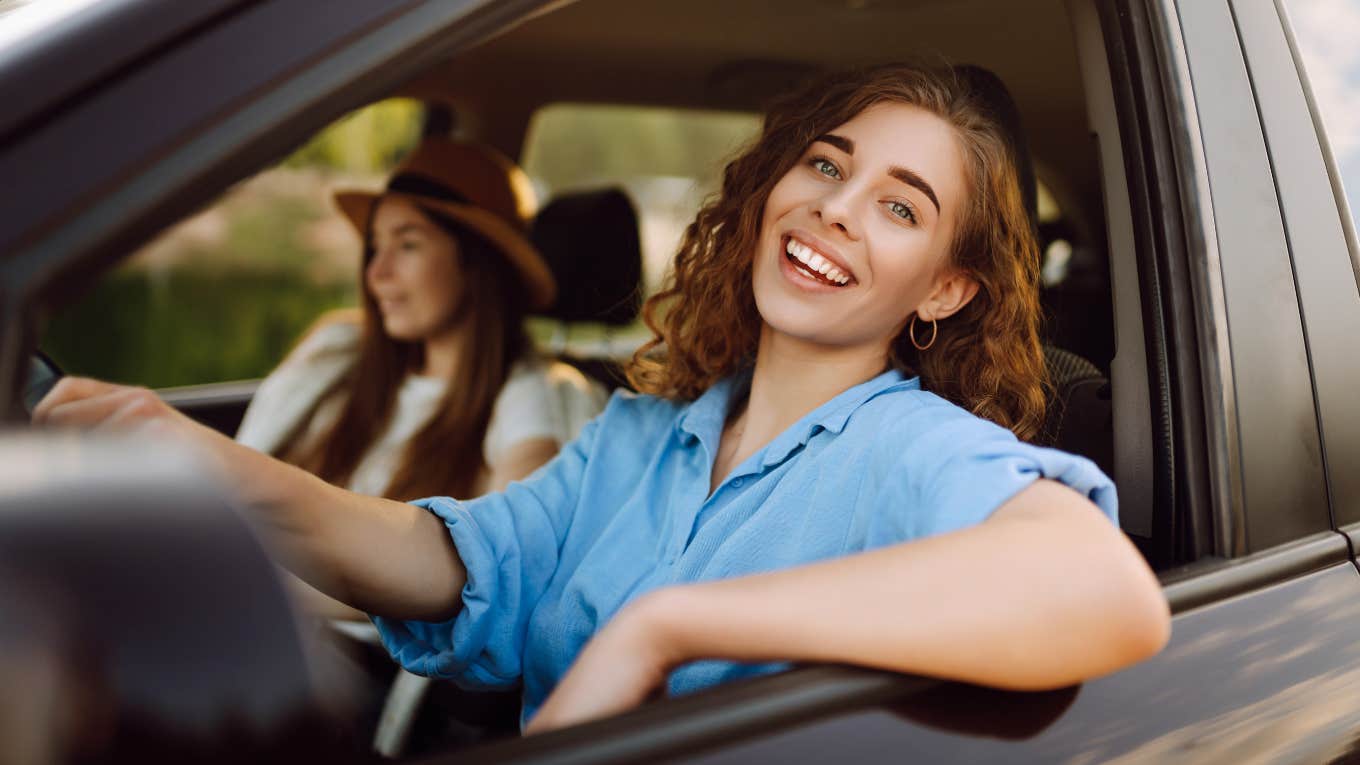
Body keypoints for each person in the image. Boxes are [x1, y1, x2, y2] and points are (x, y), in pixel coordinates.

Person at [34, 63, 1170, 735]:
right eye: (825, 166)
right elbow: (457, 563)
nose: (833, 209)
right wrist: (203, 463)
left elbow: (1106, 591)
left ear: (946, 287)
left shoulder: (915, 448)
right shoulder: (641, 433)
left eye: (900, 206)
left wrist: (668, 625)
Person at [235, 138, 606, 618]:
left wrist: (252, 584)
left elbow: (504, 563)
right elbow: (232, 486)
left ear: (478, 263)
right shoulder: (337, 353)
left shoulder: (534, 393)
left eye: (408, 244)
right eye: (374, 247)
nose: (377, 274)